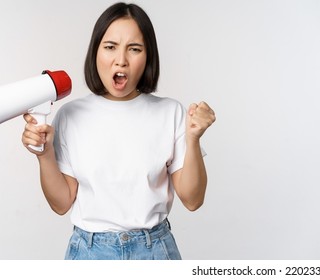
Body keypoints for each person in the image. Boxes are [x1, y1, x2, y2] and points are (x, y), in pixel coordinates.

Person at [20, 2, 215, 260]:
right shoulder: (70, 115)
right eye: (110, 47)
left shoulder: (171, 113)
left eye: (134, 49)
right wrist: (43, 155)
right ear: (96, 52)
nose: (121, 60)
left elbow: (192, 200)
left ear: (148, 57)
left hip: (154, 252)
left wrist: (193, 138)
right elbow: (61, 203)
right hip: (89, 254)